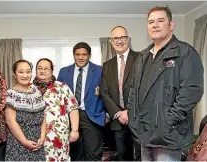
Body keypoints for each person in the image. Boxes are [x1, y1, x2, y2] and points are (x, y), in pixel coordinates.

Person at [127, 6, 204, 161]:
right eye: (151, 22)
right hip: (144, 134)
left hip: (168, 136)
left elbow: (192, 90)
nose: (155, 25)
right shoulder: (142, 57)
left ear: (171, 25)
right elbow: (133, 91)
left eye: (160, 21)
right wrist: (133, 118)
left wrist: (168, 122)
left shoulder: (185, 52)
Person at [58, 42, 106, 160]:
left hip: (92, 116)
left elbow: (107, 93)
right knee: (75, 154)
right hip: (70, 117)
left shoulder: (100, 71)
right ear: (73, 55)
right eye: (77, 54)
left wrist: (107, 113)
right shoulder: (64, 72)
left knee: (93, 154)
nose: (80, 57)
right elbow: (59, 96)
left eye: (84, 54)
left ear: (89, 55)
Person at [100, 26, 140, 161]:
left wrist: (129, 111)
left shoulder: (141, 58)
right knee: (123, 157)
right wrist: (118, 113)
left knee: (143, 156)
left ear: (128, 39)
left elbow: (144, 89)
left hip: (139, 118)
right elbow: (104, 93)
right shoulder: (107, 65)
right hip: (118, 121)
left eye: (122, 37)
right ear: (111, 41)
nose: (119, 41)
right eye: (115, 38)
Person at [33, 58, 79, 161]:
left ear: (52, 71)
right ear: (35, 70)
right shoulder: (30, 88)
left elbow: (73, 109)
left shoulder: (62, 87)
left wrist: (75, 130)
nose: (42, 71)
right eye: (39, 68)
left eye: (46, 68)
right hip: (35, 135)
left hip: (58, 135)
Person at [4, 60, 46, 161]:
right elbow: (10, 121)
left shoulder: (37, 92)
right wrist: (24, 142)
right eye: (21, 72)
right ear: (14, 74)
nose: (25, 75)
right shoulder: (11, 93)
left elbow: (43, 116)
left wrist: (43, 136)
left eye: (28, 72)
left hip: (37, 143)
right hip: (18, 143)